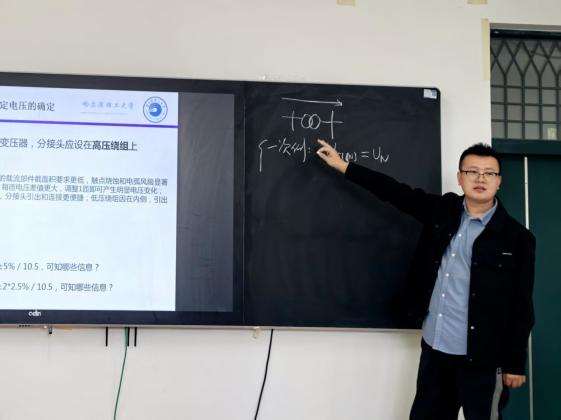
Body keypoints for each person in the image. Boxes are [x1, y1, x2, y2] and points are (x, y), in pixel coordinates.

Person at [316, 139, 535, 420]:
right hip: (435, 350)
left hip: (484, 359)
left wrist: (515, 362)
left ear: (499, 181)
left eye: (489, 173)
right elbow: (395, 192)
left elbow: (521, 305)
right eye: (472, 171)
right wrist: (343, 165)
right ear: (460, 177)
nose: (480, 178)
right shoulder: (442, 210)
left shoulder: (518, 238)